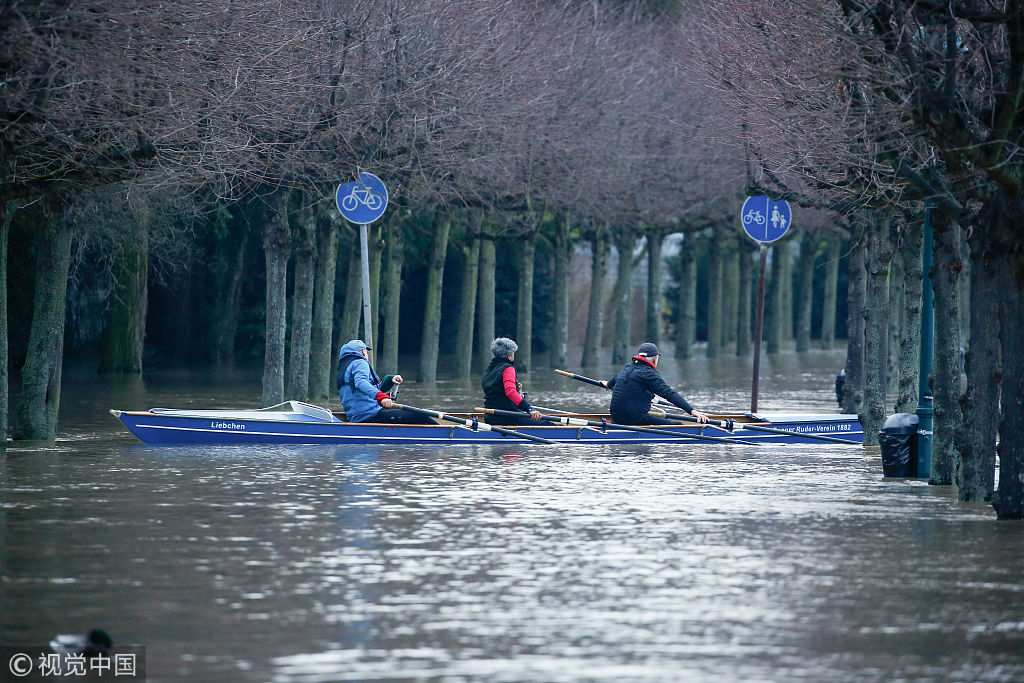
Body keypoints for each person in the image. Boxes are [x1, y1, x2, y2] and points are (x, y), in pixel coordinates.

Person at [600, 342, 710, 426]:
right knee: (678, 426)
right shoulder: (649, 373)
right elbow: (669, 394)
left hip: (617, 418)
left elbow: (612, 382)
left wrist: (607, 384)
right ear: (655, 358)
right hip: (634, 419)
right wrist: (692, 411)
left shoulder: (626, 368)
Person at [336, 339, 433, 424]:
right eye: (367, 351)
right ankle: (446, 434)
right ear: (362, 351)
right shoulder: (360, 362)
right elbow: (361, 383)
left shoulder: (344, 368)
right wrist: (381, 397)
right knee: (421, 415)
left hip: (356, 416)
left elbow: (366, 390)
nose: (368, 354)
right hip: (370, 415)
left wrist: (389, 380)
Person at [482, 337, 544, 426]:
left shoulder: (489, 369)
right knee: (547, 423)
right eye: (513, 353)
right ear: (509, 355)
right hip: (508, 418)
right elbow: (511, 392)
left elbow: (495, 389)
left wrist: (515, 385)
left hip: (490, 418)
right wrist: (530, 409)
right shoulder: (508, 369)